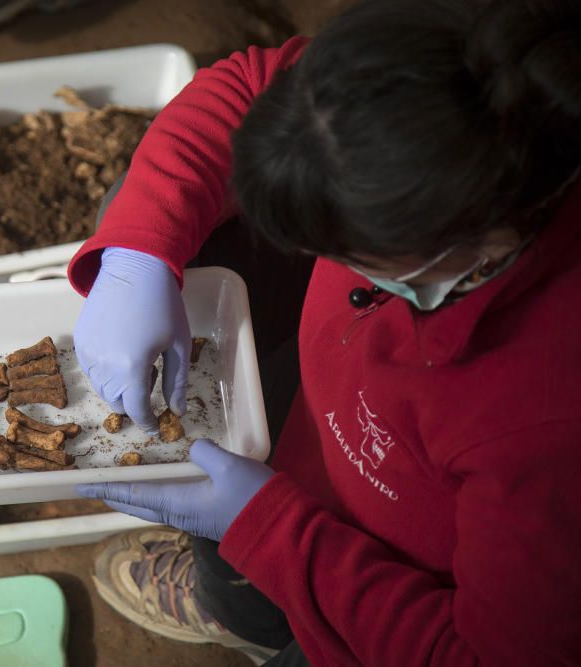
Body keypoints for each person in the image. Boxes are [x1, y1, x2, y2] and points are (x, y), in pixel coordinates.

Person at [70, 0, 581, 664]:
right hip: (324, 416)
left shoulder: (548, 423)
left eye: (352, 252)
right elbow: (248, 88)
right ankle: (241, 603)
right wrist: (140, 250)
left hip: (393, 601)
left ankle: (281, 615)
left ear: (483, 237)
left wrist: (267, 526)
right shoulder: (443, 86)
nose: (329, 263)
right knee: (242, 565)